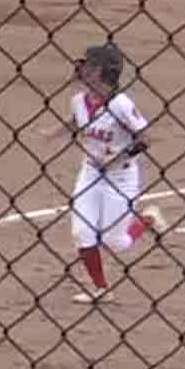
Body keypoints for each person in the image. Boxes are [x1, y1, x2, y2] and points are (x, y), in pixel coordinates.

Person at [42, 42, 165, 303]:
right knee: (81, 232)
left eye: (88, 64)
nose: (81, 67)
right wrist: (52, 133)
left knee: (116, 241)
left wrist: (117, 158)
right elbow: (77, 120)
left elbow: (146, 138)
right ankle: (101, 289)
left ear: (101, 71)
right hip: (90, 173)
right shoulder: (78, 100)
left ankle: (148, 220)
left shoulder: (121, 104)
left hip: (121, 177)